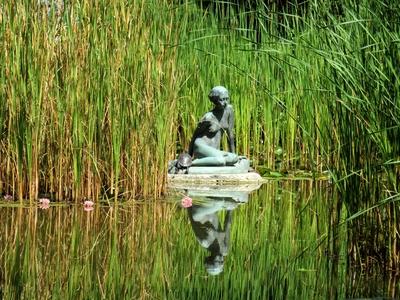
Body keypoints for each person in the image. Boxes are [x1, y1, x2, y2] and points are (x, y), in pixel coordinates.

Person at [188, 86, 239, 166]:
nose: (225, 102)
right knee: (220, 161)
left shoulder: (229, 110)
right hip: (201, 146)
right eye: (221, 100)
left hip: (215, 150)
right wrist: (189, 156)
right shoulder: (208, 117)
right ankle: (191, 163)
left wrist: (233, 154)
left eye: (226, 99)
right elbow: (195, 136)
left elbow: (230, 134)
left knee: (234, 157)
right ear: (215, 100)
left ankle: (214, 160)